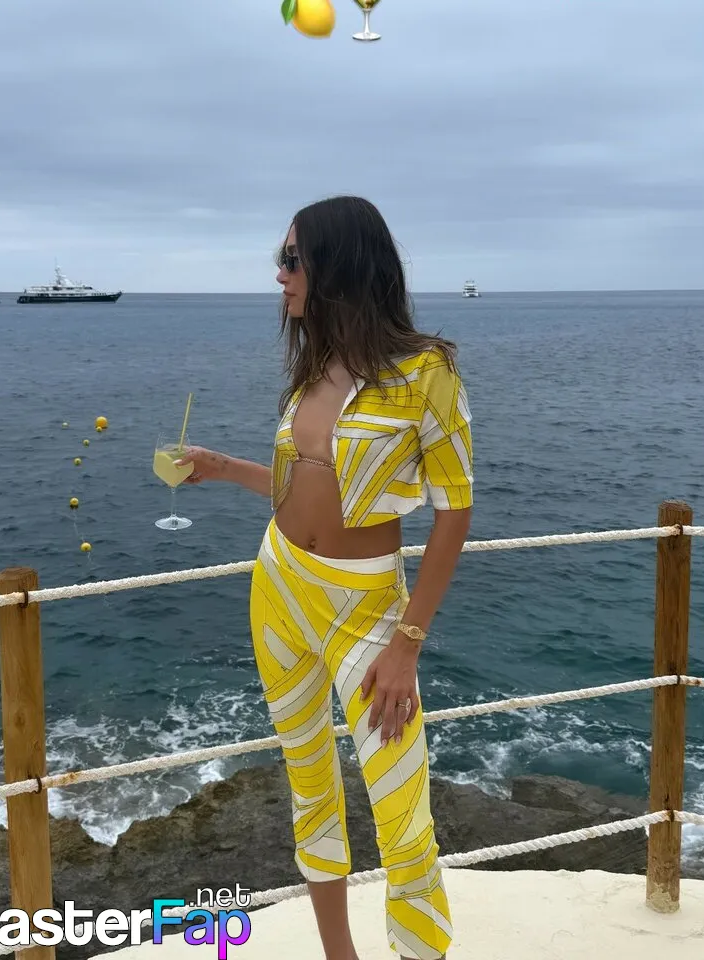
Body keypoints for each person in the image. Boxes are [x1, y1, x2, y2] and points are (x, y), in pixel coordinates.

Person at [176, 196, 473, 960]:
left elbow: (455, 512)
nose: (279, 275)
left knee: (403, 820)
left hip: (365, 610)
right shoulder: (315, 364)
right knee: (310, 789)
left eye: (291, 259)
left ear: (337, 263)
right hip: (278, 587)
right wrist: (222, 467)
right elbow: (299, 486)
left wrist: (407, 643)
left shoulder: (427, 372)